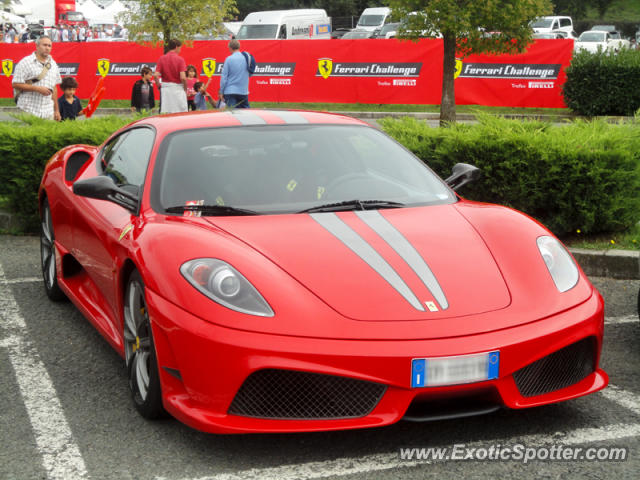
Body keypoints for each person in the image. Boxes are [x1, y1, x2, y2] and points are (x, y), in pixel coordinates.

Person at [12, 36, 62, 121]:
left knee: (47, 134)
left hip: (48, 111)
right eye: (44, 45)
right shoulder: (25, 62)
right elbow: (15, 84)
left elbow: (54, 88)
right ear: (37, 46)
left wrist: (56, 110)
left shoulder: (53, 65)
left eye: (49, 46)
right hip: (28, 109)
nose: (47, 48)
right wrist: (37, 88)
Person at [154, 38, 187, 113]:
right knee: (180, 114)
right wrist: (185, 88)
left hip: (166, 90)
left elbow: (156, 75)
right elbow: (183, 78)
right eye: (180, 48)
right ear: (176, 47)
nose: (180, 50)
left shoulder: (162, 58)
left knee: (166, 113)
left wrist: (159, 86)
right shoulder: (180, 59)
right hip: (178, 88)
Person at [219, 39, 250, 109]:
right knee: (247, 115)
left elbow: (224, 78)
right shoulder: (246, 58)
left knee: (233, 115)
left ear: (230, 48)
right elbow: (250, 72)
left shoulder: (229, 59)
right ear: (239, 47)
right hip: (243, 91)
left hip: (230, 91)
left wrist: (221, 92)